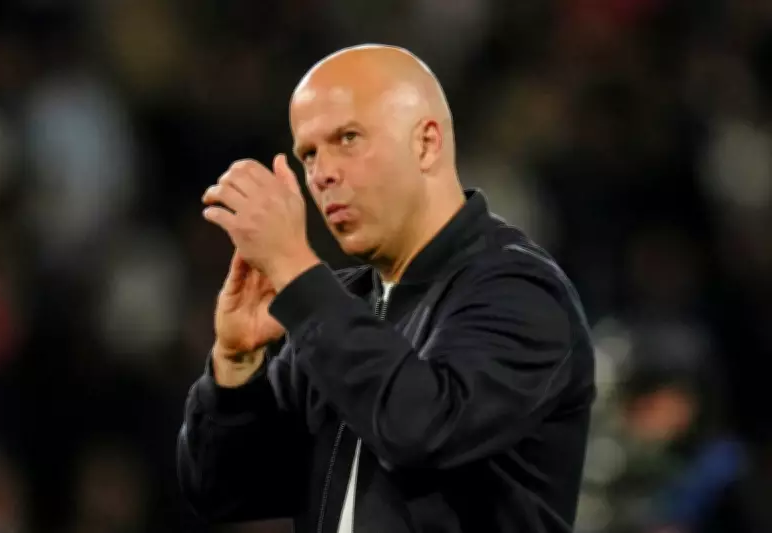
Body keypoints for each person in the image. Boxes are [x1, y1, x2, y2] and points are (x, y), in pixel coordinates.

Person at [177, 44, 595, 533]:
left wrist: (295, 270)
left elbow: (422, 429)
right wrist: (236, 364)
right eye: (308, 154)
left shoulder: (518, 291)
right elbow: (225, 492)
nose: (322, 174)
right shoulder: (339, 308)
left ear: (426, 143)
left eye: (348, 138)